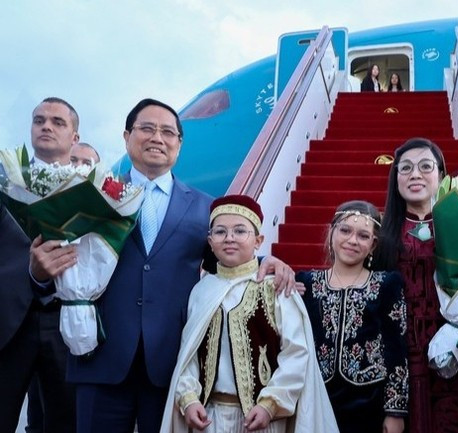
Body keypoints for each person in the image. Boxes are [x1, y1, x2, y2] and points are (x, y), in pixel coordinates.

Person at [30, 98, 295, 432]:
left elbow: (225, 262)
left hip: (172, 366)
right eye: (147, 128)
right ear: (127, 137)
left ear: (179, 144)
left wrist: (264, 260)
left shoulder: (204, 208)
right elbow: (60, 260)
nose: (157, 137)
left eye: (168, 131)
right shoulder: (92, 196)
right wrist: (39, 275)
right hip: (100, 357)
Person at [162, 195, 337, 433]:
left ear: (258, 240)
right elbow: (189, 355)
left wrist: (270, 405)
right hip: (209, 417)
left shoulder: (275, 287)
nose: (230, 238)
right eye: (220, 232)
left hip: (261, 419)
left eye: (240, 231)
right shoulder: (201, 290)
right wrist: (189, 398)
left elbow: (297, 353)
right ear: (210, 241)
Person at [375, 137, 458, 432]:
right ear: (395, 177)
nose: (415, 174)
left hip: (455, 359)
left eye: (426, 166)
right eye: (405, 168)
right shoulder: (378, 236)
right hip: (400, 362)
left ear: (441, 175)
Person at [0, 97, 79, 433]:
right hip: (8, 322)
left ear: (75, 137)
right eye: (39, 120)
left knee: (63, 424)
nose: (46, 126)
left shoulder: (93, 188)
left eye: (58, 122)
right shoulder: (6, 180)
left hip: (68, 327)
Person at [297, 200, 408, 433]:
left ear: (373, 244)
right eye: (345, 230)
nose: (352, 241)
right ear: (331, 233)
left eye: (363, 236)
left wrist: (395, 411)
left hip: (369, 401)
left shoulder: (386, 284)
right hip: (318, 398)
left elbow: (396, 350)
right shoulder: (307, 283)